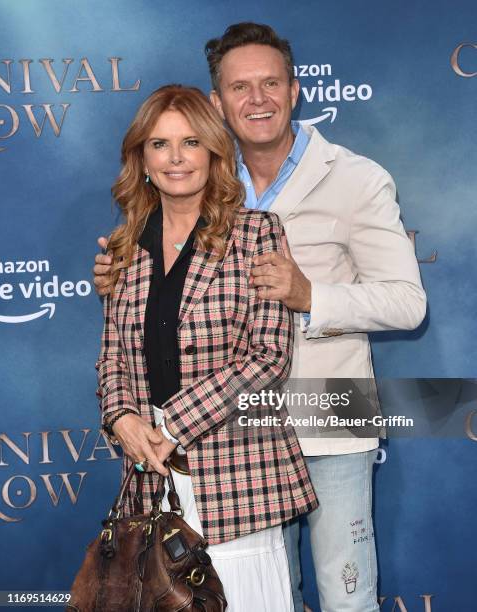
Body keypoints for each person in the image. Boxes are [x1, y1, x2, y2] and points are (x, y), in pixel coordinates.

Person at [94, 24, 427, 612]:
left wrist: (311, 295)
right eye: (239, 86)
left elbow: (408, 302)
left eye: (271, 83)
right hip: (226, 435)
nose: (257, 99)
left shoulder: (356, 177)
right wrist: (123, 288)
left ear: (295, 90)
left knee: (346, 597)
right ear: (217, 102)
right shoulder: (206, 183)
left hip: (324, 409)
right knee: (265, 592)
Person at [97, 83, 317, 611]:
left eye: (191, 142)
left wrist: (170, 426)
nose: (176, 158)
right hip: (149, 477)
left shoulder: (256, 234)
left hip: (235, 473)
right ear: (141, 158)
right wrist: (122, 418)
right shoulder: (125, 246)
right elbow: (113, 356)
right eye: (160, 144)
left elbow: (269, 355)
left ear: (215, 153)